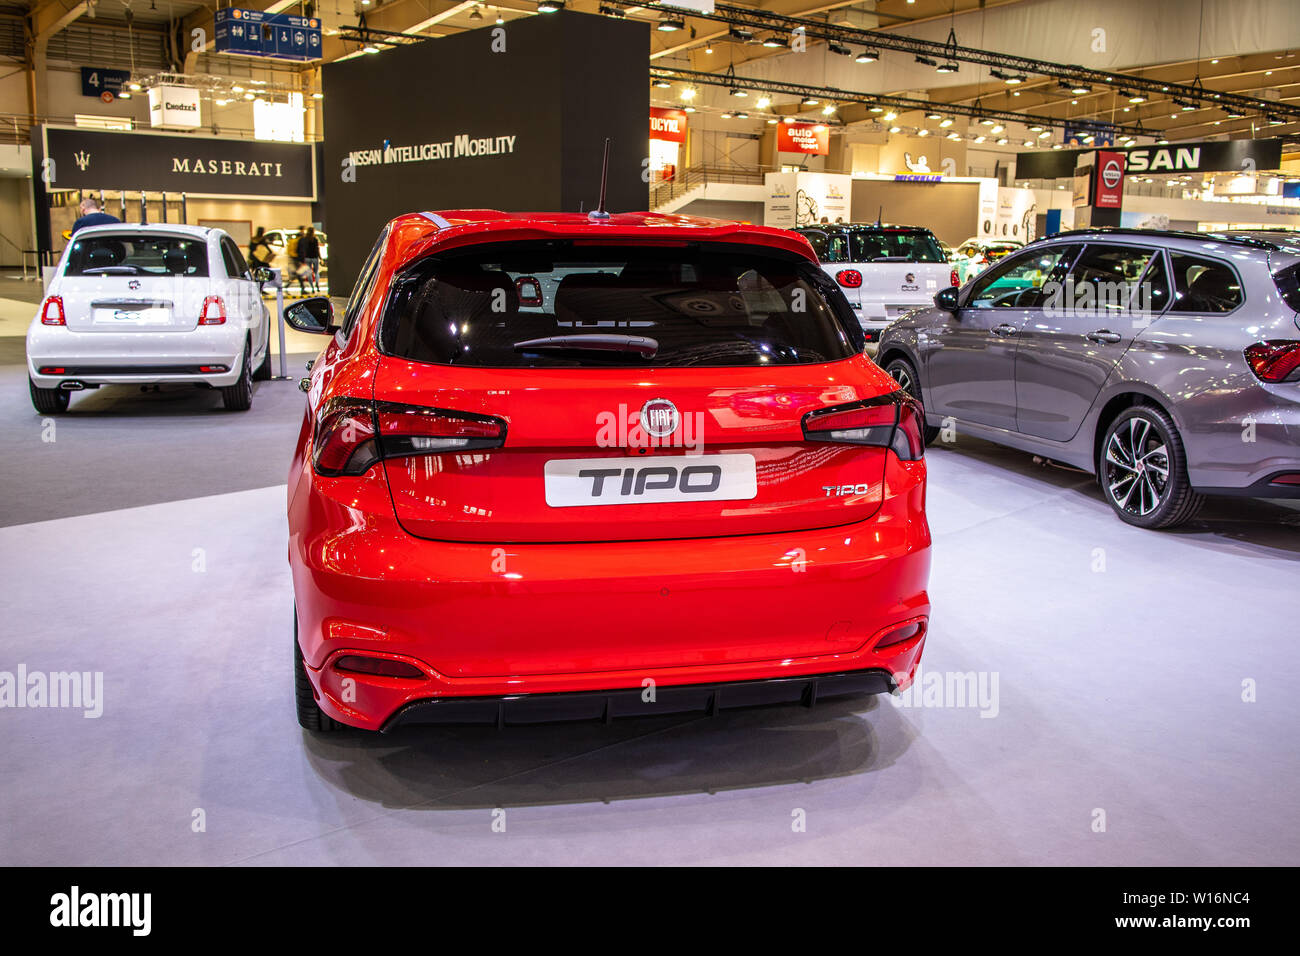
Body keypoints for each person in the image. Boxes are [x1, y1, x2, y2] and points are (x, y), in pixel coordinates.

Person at [297, 226, 321, 294]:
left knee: (309, 273)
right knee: (316, 272)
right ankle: (317, 284)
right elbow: (317, 249)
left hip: (307, 258)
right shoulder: (315, 239)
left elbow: (303, 249)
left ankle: (312, 288)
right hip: (315, 257)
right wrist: (320, 257)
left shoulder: (305, 239)